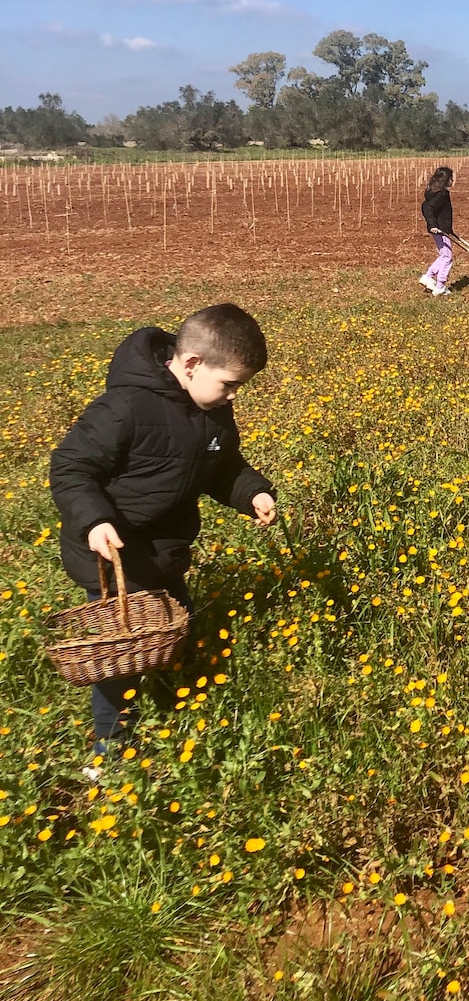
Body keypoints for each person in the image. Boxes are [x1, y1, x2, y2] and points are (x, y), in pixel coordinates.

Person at [50, 303, 277, 774]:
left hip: (167, 550)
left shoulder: (211, 410)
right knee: (120, 653)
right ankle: (111, 748)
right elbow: (71, 467)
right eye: (230, 383)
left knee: (176, 624)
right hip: (113, 551)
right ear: (191, 363)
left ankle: (174, 698)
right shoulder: (125, 407)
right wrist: (93, 520)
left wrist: (251, 492)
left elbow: (223, 465)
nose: (234, 396)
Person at [419, 166, 455, 297]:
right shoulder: (442, 194)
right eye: (452, 178)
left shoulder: (432, 192)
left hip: (440, 229)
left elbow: (426, 206)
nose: (453, 181)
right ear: (446, 180)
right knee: (447, 258)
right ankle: (440, 286)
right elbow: (427, 208)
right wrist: (433, 224)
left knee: (444, 255)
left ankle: (428, 277)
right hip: (440, 229)